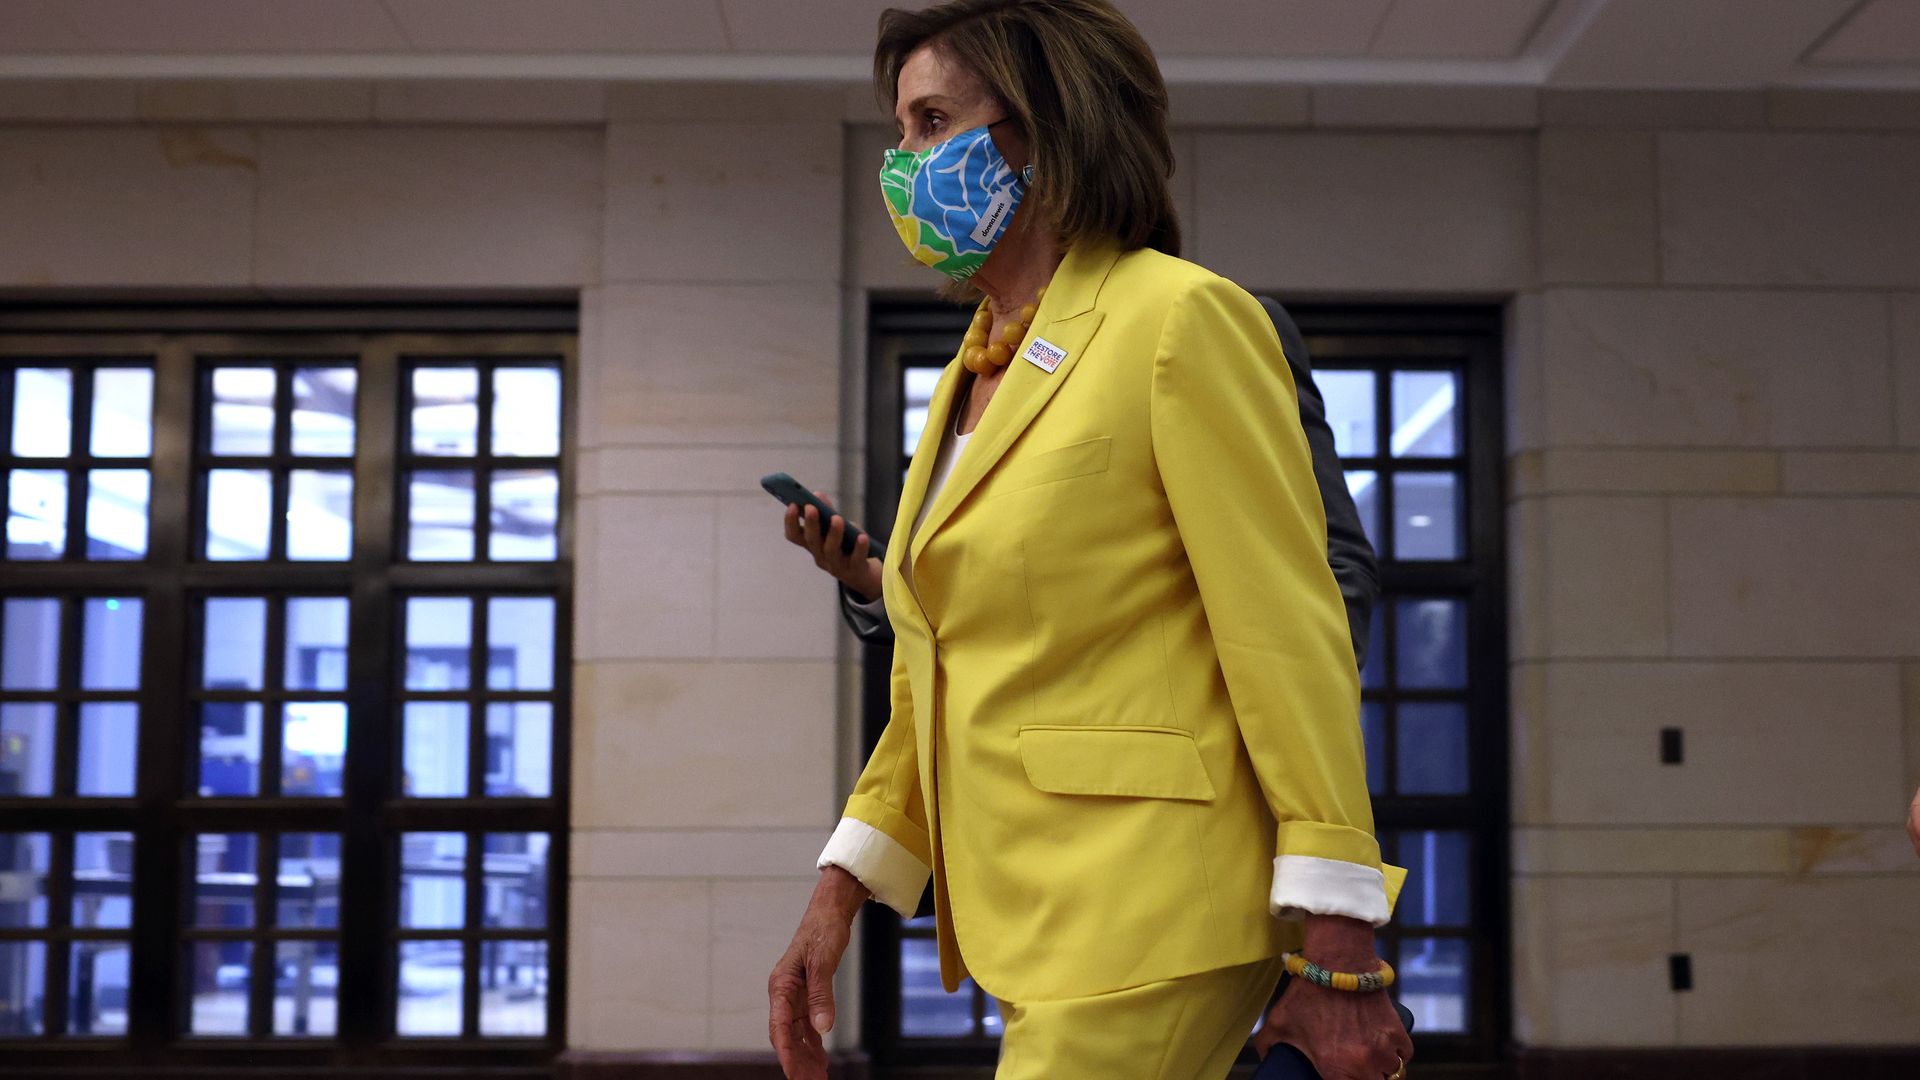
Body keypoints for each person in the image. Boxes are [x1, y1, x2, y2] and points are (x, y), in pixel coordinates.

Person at [767, 4, 1411, 1079]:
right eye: (901, 130)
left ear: (1043, 129)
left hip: (1159, 905)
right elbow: (935, 663)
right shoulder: (971, 371)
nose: (904, 164)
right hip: (1040, 908)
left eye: (933, 123)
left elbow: (1287, 634)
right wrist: (837, 892)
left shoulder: (1180, 318)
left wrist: (1340, 931)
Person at [800, 294, 1380, 673]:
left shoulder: (1198, 317)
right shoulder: (985, 362)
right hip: (989, 788)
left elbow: (1336, 566)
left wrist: (1269, 741)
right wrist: (876, 584)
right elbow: (1003, 602)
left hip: (1167, 786)